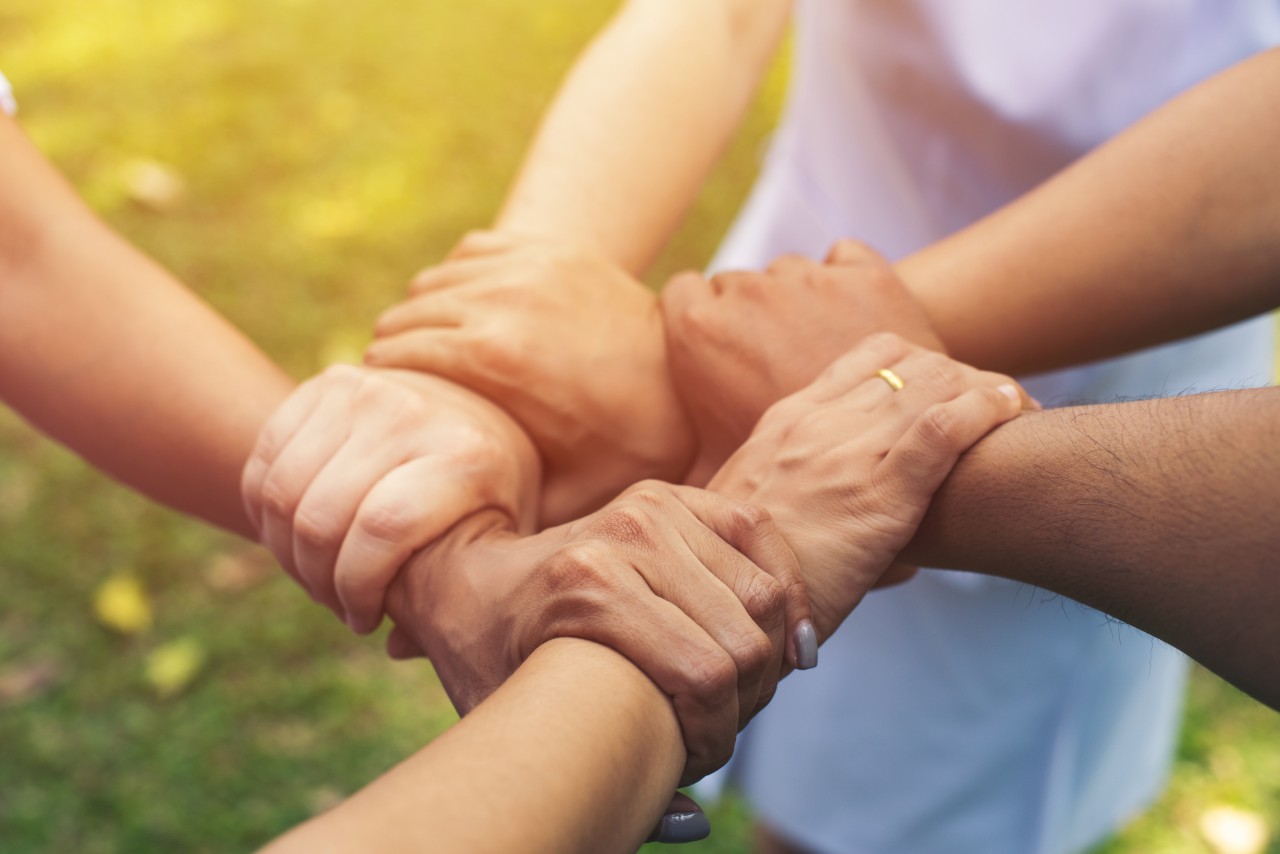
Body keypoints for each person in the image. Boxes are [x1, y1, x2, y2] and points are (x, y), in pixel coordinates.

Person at [358, 6, 1279, 851]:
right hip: (789, 291)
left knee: (912, 811)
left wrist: (743, 360)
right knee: (756, 709)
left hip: (1105, 349)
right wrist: (523, 308)